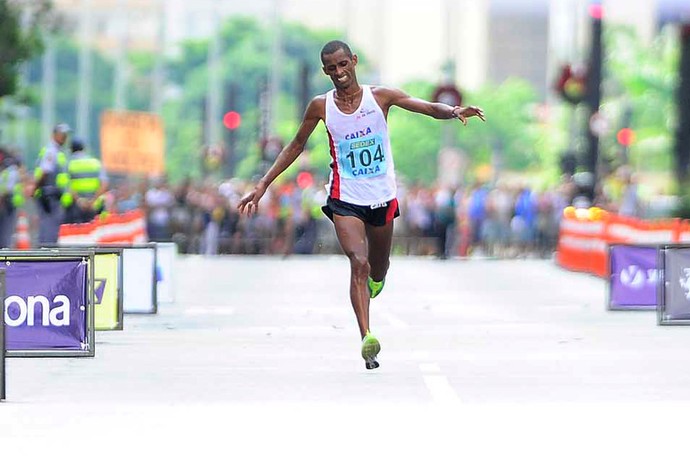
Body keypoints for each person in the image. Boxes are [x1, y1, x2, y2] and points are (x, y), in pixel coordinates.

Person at [238, 40, 485, 369]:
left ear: (353, 61)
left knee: (378, 269)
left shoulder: (380, 97)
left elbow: (425, 107)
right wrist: (262, 184)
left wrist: (454, 111)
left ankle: (375, 282)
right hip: (345, 199)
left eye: (343, 65)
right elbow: (296, 145)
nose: (339, 73)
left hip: (381, 197)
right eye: (331, 68)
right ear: (325, 71)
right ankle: (366, 337)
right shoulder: (320, 106)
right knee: (359, 262)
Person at [34, 123, 71, 245]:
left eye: (65, 135)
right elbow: (45, 171)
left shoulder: (57, 151)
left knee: (52, 225)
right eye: (62, 134)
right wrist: (35, 188)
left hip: (52, 194)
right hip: (49, 194)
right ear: (54, 135)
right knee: (49, 225)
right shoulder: (51, 151)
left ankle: (47, 248)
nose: (64, 137)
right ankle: (46, 251)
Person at [62, 137, 109, 224]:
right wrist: (93, 201)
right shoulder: (96, 163)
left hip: (76, 207)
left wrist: (80, 201)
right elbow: (104, 184)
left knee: (78, 235)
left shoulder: (68, 165)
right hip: (96, 207)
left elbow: (67, 186)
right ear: (84, 148)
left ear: (71, 150)